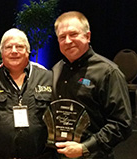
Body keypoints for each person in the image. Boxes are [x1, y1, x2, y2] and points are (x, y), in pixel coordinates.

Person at [52, 11, 132, 158]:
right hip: (60, 154)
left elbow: (121, 125)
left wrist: (84, 148)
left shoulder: (108, 72)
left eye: (73, 34)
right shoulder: (56, 70)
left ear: (87, 36)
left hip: (94, 155)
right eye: (62, 37)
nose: (68, 41)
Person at [0, 28, 55, 159]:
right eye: (8, 47)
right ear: (1, 52)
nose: (14, 51)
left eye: (20, 46)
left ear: (28, 51)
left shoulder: (48, 78)